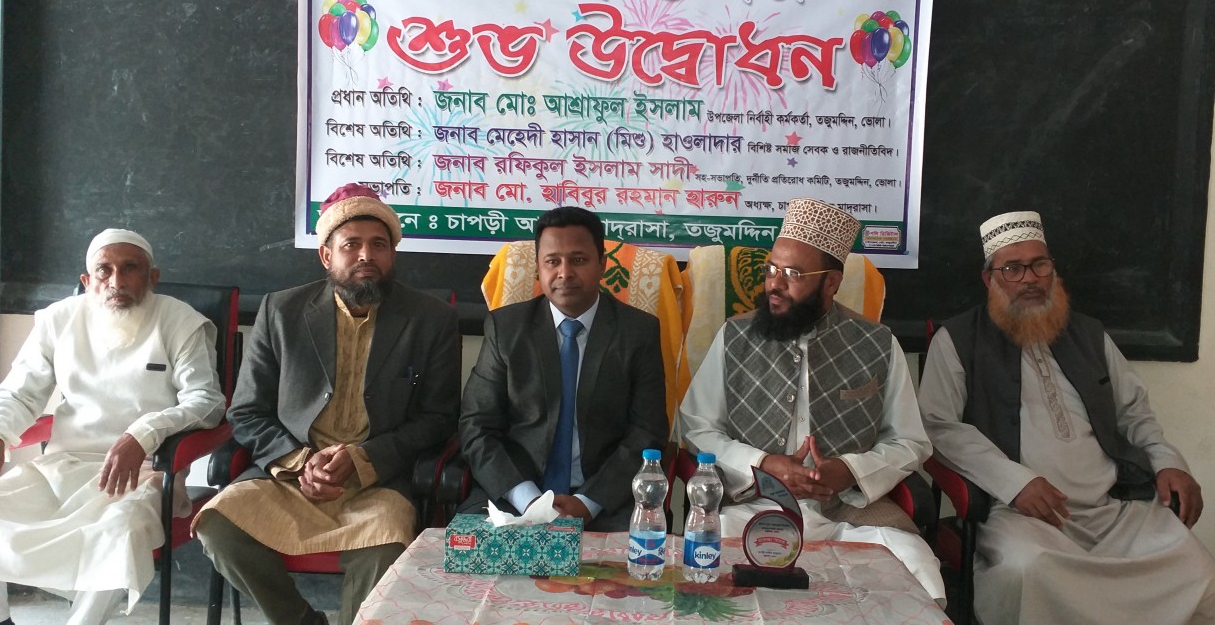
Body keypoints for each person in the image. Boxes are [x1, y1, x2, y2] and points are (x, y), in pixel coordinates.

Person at [919, 210, 1215, 624]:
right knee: (1030, 569)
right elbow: (938, 426)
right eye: (1013, 268)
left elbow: (1135, 413)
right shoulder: (957, 340)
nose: (1030, 279)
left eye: (1040, 265)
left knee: (1195, 568)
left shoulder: (1090, 334)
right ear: (990, 279)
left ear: (1053, 270)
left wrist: (1169, 462)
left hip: (1114, 509)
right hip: (1023, 515)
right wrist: (1015, 483)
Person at [195, 184, 460, 625]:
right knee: (217, 525)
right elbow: (246, 411)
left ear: (392, 254)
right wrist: (301, 462)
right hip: (290, 476)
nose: (366, 255)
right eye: (351, 244)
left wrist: (361, 458)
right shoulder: (281, 311)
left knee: (385, 550)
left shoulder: (431, 318)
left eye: (379, 245)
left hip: (377, 482)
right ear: (326, 255)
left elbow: (439, 418)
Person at [0, 229, 225, 625]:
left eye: (130, 268)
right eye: (104, 270)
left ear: (152, 277)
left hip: (144, 473)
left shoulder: (181, 322)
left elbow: (206, 401)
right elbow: (18, 393)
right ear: (87, 281)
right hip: (61, 468)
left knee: (117, 535)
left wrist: (143, 434)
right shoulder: (58, 320)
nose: (116, 281)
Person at [679, 198, 944, 603]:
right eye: (772, 269)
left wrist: (849, 470)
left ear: (832, 282)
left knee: (918, 568)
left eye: (793, 274)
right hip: (754, 507)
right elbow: (698, 428)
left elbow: (910, 441)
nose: (775, 284)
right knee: (708, 562)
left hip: (850, 512)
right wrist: (763, 463)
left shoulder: (876, 343)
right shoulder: (735, 336)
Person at [458, 206, 668, 530]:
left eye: (579, 260)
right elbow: (476, 427)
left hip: (606, 502)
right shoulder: (506, 328)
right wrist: (530, 500)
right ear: (538, 268)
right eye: (552, 261)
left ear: (602, 264)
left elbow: (647, 432)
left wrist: (589, 501)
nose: (565, 273)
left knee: (634, 560)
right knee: (465, 556)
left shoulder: (637, 332)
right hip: (514, 498)